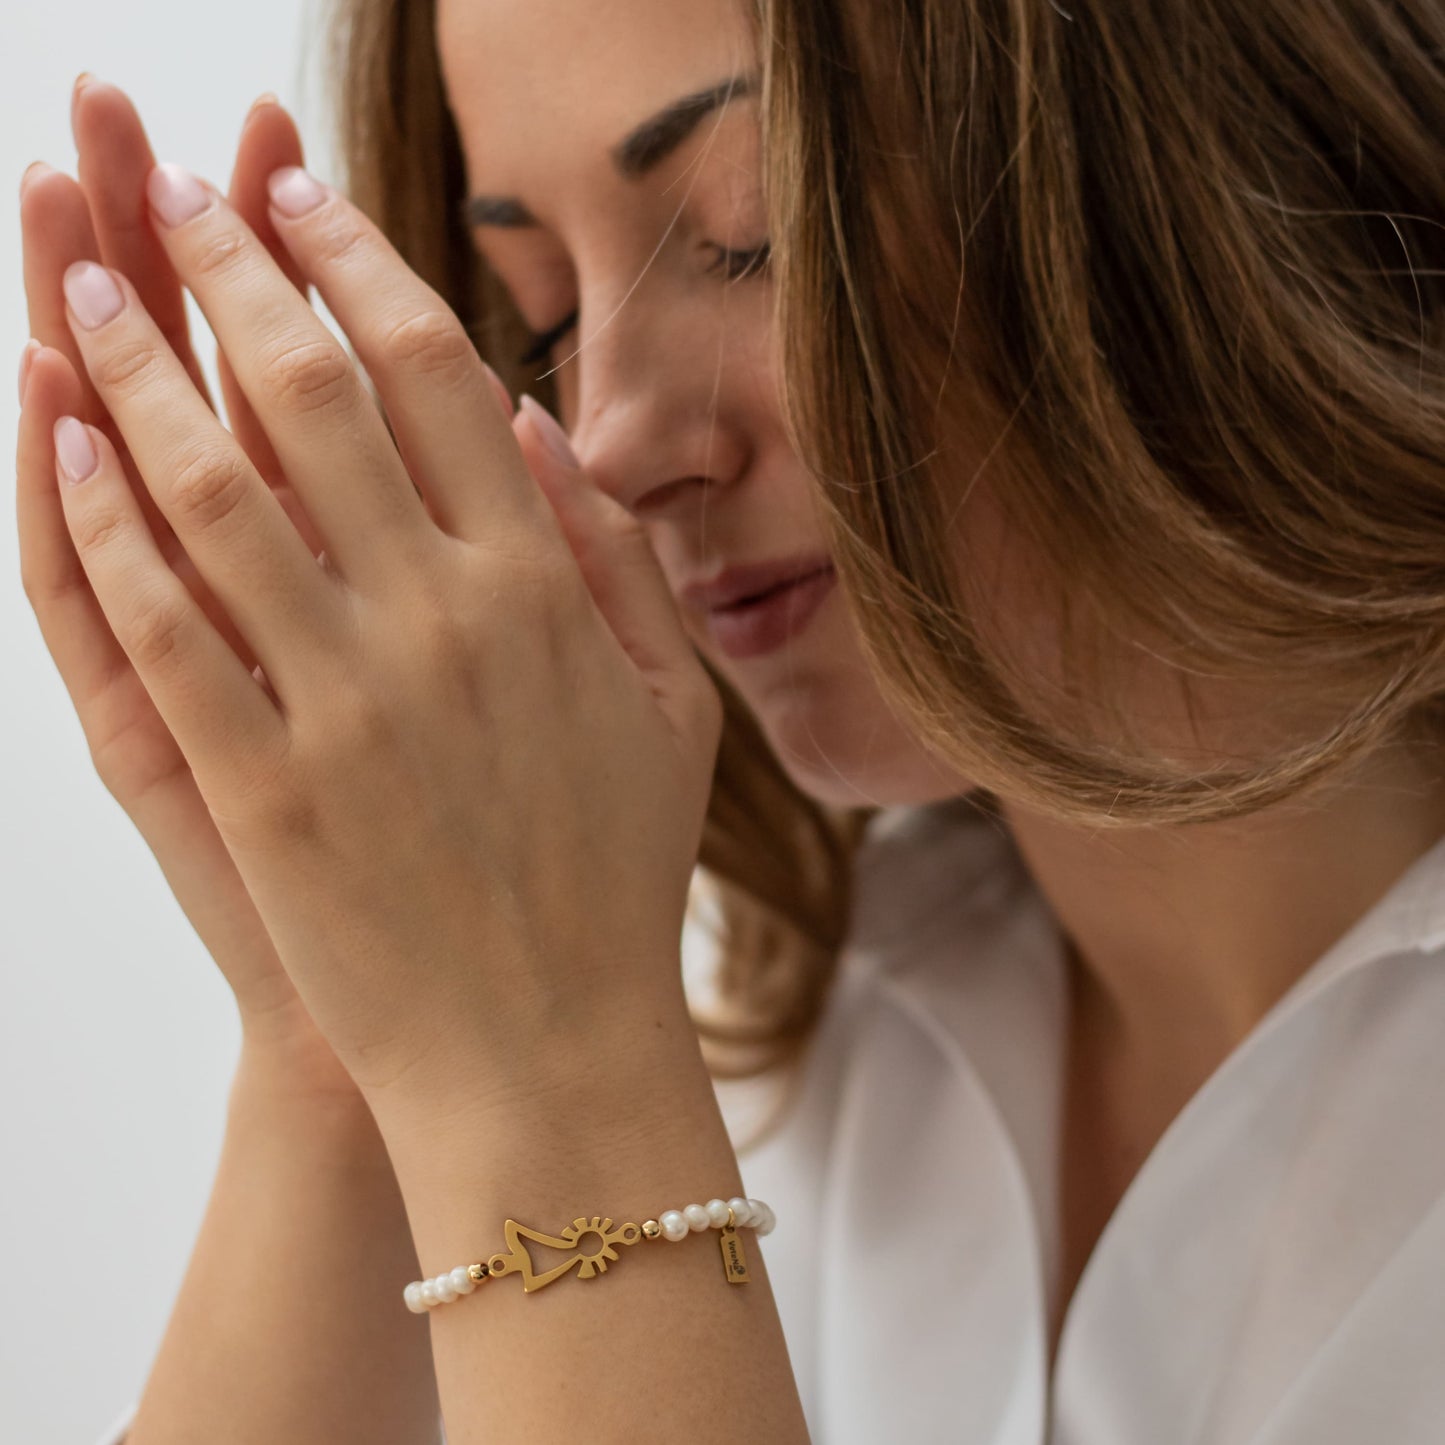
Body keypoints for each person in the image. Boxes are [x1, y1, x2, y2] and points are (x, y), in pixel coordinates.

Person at [15, 0, 1444, 1440]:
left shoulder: (622, 1077)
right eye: (542, 311)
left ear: (1190, 165)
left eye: (749, 234)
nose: (613, 436)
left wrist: (555, 1081)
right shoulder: (814, 1049)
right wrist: (341, 1048)